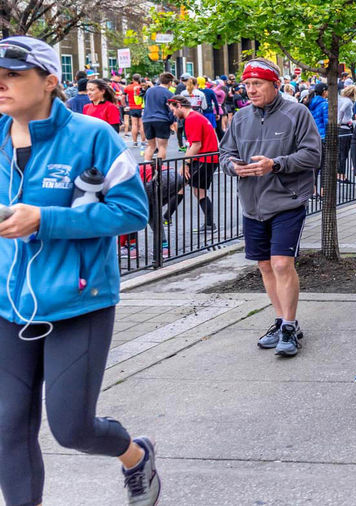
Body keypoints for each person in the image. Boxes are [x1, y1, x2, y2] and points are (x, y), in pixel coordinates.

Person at [0, 37, 159, 506]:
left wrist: (45, 220)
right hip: (9, 306)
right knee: (7, 426)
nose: (2, 85)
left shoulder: (92, 136)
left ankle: (135, 454)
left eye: (14, 75)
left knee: (71, 429)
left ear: (50, 82)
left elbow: (132, 212)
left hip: (78, 303)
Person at [219, 59, 321, 358]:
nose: (251, 90)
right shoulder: (240, 118)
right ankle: (281, 320)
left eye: (258, 84)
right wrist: (233, 167)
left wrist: (275, 165)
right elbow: (226, 152)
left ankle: (289, 325)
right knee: (264, 265)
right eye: (247, 85)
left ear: (275, 84)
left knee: (280, 264)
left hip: (287, 201)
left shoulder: (297, 113)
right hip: (252, 204)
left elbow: (313, 155)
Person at [167, 95, 219, 234]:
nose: (173, 114)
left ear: (179, 105)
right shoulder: (195, 116)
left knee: (179, 183)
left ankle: (166, 217)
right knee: (197, 190)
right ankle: (209, 223)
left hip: (204, 159)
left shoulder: (192, 119)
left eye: (173, 110)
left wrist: (185, 164)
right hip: (207, 158)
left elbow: (196, 145)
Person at [141, 73, 176, 161]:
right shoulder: (169, 94)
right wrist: (171, 122)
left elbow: (145, 103)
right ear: (170, 82)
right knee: (162, 147)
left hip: (147, 119)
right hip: (161, 119)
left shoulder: (149, 90)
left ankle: (146, 169)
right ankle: (160, 170)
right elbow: (171, 110)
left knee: (151, 146)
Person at [337, 84, 356, 181]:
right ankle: (342, 175)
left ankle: (339, 174)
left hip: (341, 128)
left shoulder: (340, 99)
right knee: (343, 153)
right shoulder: (348, 102)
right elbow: (342, 110)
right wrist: (339, 122)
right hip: (345, 127)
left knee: (340, 153)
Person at [124, 74, 144, 145]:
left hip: (132, 107)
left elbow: (123, 96)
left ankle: (135, 142)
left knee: (134, 125)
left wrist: (124, 105)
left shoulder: (128, 87)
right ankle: (143, 141)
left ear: (132, 79)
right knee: (141, 125)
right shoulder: (142, 87)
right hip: (141, 107)